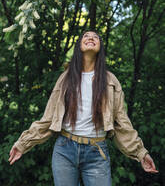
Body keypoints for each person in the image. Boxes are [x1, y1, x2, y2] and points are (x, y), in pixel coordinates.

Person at [9, 31, 158, 186]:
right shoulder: (65, 79)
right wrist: (23, 143)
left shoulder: (110, 81)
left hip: (96, 153)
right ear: (79, 45)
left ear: (100, 47)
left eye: (95, 37)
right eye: (86, 36)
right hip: (64, 150)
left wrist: (140, 153)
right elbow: (48, 119)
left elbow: (122, 123)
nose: (91, 38)